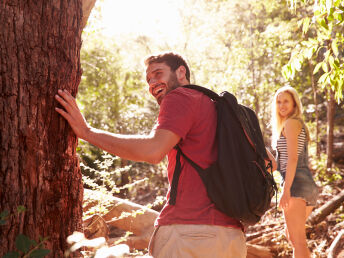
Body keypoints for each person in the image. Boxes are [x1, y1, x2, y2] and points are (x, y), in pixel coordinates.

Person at [55, 52, 247, 257]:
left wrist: (87, 132)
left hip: (188, 235)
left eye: (158, 73)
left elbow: (154, 151)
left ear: (181, 72)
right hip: (232, 238)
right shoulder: (220, 109)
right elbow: (266, 160)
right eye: (148, 79)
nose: (152, 82)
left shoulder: (180, 97)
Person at [271, 86, 319, 258]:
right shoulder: (294, 124)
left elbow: (292, 159)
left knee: (297, 241)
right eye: (278, 102)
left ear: (294, 104)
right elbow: (281, 163)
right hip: (306, 184)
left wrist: (286, 189)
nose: (282, 105)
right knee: (295, 238)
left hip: (296, 184)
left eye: (286, 101)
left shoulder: (291, 123)